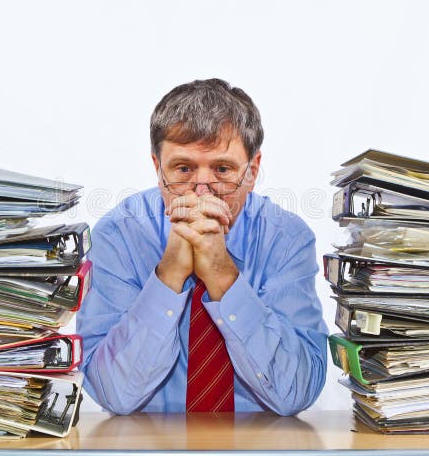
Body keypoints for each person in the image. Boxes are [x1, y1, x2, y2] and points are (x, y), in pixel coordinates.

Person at [77, 78, 327, 415]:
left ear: (252, 171)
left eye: (222, 169)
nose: (202, 192)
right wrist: (168, 276)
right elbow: (114, 395)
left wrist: (225, 278)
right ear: (157, 167)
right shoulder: (118, 236)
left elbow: (296, 392)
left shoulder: (286, 239)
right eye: (183, 169)